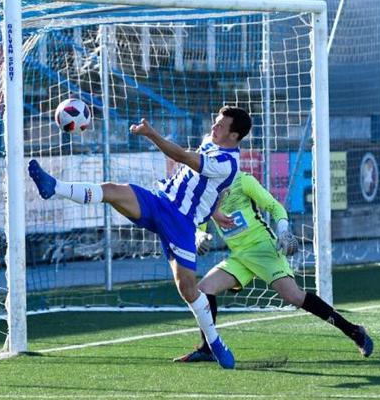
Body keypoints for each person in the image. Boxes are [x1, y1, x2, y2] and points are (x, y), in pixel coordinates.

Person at [27, 106, 252, 369]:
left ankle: (214, 342)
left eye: (221, 126)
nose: (214, 127)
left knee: (188, 289)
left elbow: (182, 156)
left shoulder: (228, 163)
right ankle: (55, 188)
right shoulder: (210, 143)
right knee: (113, 190)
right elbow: (213, 189)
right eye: (215, 122)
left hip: (181, 223)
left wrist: (150, 133)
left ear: (234, 136)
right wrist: (214, 211)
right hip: (160, 201)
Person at [173, 171, 373, 363]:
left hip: (263, 249)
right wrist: (199, 237)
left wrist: (284, 231)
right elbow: (199, 223)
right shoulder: (206, 191)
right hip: (239, 256)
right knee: (204, 289)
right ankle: (207, 348)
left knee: (293, 296)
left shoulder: (243, 180)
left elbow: (274, 207)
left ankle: (354, 331)